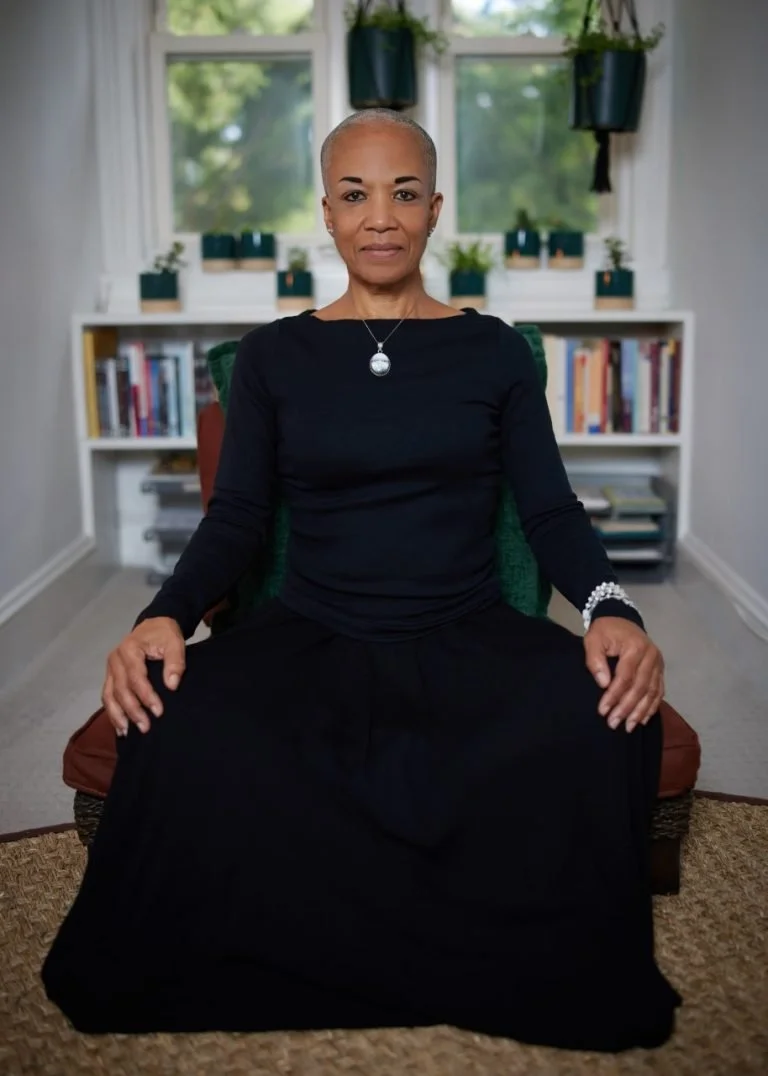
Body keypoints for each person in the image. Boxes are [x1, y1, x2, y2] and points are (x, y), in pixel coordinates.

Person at [42, 109, 681, 1051]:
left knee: (611, 712)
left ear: (435, 210)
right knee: (168, 717)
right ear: (328, 215)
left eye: (403, 193)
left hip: (465, 627)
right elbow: (238, 518)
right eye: (355, 195)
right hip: (312, 628)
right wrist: (163, 613)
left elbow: (549, 512)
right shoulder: (273, 357)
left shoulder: (495, 352)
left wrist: (610, 607)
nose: (380, 216)